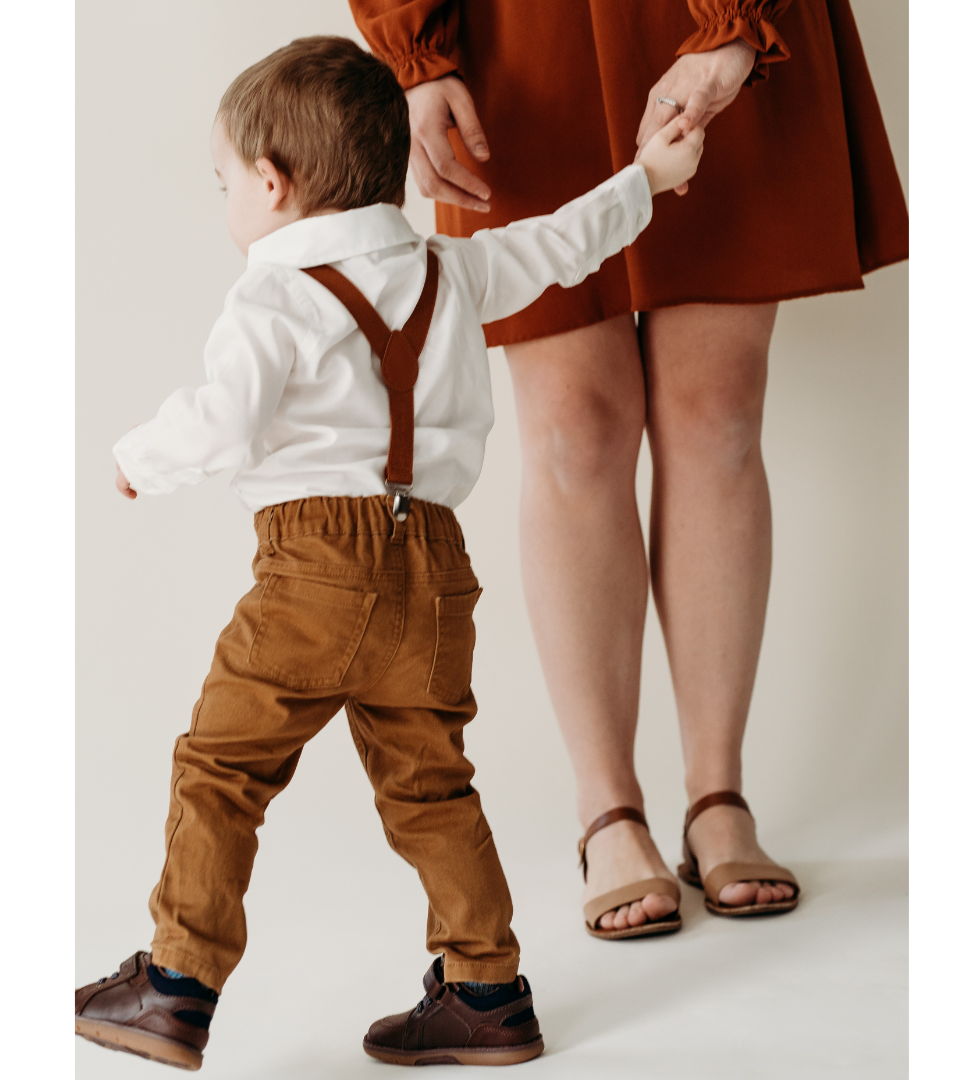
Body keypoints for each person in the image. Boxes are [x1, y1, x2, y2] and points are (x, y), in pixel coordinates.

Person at [74, 35, 704, 1069]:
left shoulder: (270, 297)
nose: (227, 199)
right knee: (430, 786)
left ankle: (176, 982)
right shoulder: (451, 267)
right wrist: (649, 178)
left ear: (273, 184)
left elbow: (225, 425)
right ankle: (488, 992)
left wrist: (140, 459)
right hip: (435, 570)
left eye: (226, 180)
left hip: (313, 566)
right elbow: (561, 244)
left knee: (222, 769)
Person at [351, 0, 909, 935]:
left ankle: (717, 796)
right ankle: (608, 810)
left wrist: (739, 26)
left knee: (719, 411)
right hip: (518, 33)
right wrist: (414, 49)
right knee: (574, 424)